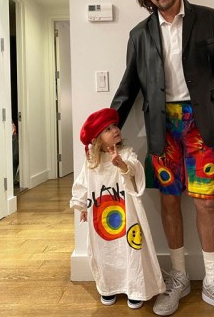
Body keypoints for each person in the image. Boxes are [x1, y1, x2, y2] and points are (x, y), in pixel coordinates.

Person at [110, 0, 214, 317]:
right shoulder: (139, 35)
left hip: (201, 125)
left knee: (206, 202)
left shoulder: (207, 19)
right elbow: (128, 88)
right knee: (170, 201)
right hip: (162, 128)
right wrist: (105, 129)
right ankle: (177, 278)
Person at [70, 108, 165, 310]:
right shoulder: (91, 162)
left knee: (131, 249)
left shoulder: (126, 153)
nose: (114, 130)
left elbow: (135, 170)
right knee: (104, 251)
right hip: (101, 216)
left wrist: (121, 164)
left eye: (114, 126)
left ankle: (135, 288)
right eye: (107, 129)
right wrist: (82, 205)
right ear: (97, 140)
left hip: (128, 214)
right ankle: (108, 287)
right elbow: (83, 183)